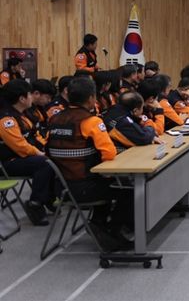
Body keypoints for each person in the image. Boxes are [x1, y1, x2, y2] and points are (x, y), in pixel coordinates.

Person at [45, 77, 134, 251]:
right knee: (128, 188)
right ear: (91, 98)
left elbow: (47, 149)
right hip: (85, 186)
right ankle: (112, 231)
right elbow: (109, 153)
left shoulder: (54, 120)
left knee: (110, 183)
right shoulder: (91, 121)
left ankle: (98, 223)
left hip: (61, 187)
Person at [0, 80, 54, 226]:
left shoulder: (23, 115)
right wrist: (39, 153)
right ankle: (35, 203)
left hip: (23, 158)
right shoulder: (6, 120)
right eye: (29, 94)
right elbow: (20, 146)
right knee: (44, 163)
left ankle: (49, 197)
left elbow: (35, 136)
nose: (32, 97)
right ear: (22, 99)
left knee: (54, 156)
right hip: (8, 162)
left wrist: (47, 147)